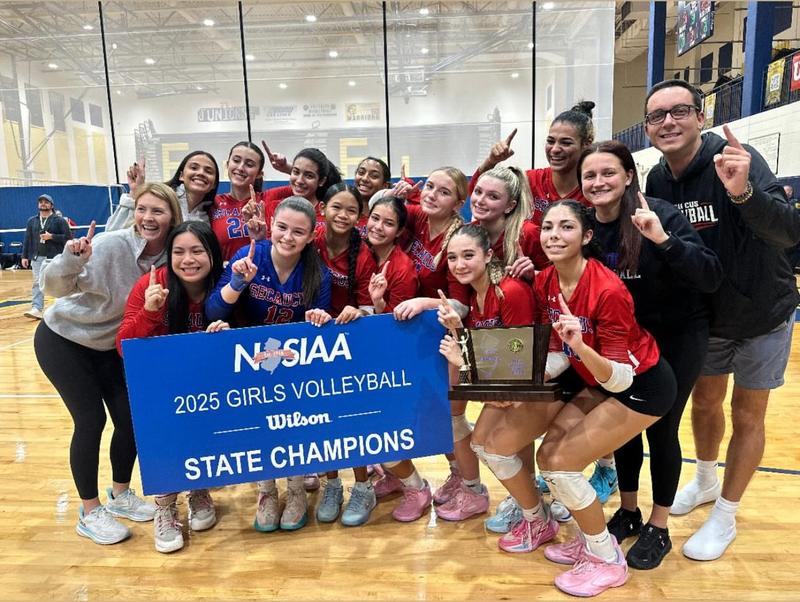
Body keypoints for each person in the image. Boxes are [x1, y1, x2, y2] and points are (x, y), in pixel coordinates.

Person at [643, 79, 800, 561]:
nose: (668, 122)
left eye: (679, 111)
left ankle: (726, 514)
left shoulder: (736, 158)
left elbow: (788, 232)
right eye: (657, 115)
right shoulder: (657, 181)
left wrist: (744, 192)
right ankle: (706, 480)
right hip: (705, 317)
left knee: (747, 414)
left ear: (701, 116)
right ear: (648, 129)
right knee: (705, 403)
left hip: (761, 312)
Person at [579, 140, 723, 569]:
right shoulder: (586, 227)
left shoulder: (659, 213)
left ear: (628, 176)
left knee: (661, 428)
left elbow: (710, 275)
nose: (599, 181)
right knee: (623, 426)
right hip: (624, 340)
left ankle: (659, 527)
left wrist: (662, 238)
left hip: (678, 335)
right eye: (590, 175)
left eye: (608, 172)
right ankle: (629, 511)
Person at [533, 201, 676, 597]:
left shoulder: (608, 289)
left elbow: (619, 378)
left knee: (563, 465)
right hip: (600, 382)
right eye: (547, 227)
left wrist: (580, 346)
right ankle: (589, 538)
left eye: (566, 227)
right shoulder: (545, 281)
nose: (554, 235)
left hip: (642, 386)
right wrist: (516, 380)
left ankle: (606, 559)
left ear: (587, 236)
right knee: (548, 456)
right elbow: (559, 354)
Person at [34, 182, 182, 545]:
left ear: (172, 217)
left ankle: (120, 494)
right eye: (142, 209)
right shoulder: (111, 244)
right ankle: (89, 511)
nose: (148, 217)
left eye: (158, 211)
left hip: (112, 347)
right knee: (91, 420)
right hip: (65, 339)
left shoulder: (172, 256)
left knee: (131, 420)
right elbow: (53, 288)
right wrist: (70, 259)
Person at [206, 196, 332, 532]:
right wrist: (237, 284)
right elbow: (213, 311)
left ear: (311, 236)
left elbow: (318, 332)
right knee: (256, 424)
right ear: (271, 225)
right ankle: (266, 491)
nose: (288, 237)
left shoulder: (318, 273)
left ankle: (295, 489)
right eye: (282, 227)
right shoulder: (249, 256)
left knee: (292, 423)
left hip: (291, 359)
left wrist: (320, 318)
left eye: (298, 232)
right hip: (249, 356)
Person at [117, 221, 228, 553]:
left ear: (212, 254)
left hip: (207, 384)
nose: (188, 259)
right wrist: (150, 312)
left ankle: (198, 489)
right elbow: (123, 346)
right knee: (162, 435)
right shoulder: (152, 284)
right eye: (179, 252)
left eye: (197, 251)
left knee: (205, 432)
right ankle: (165, 507)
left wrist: (225, 339)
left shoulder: (225, 286)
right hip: (161, 385)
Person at [435, 224, 537, 522]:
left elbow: (519, 358)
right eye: (453, 258)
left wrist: (463, 356)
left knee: (498, 442)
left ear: (489, 255)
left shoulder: (510, 291)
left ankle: (532, 507)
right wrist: (457, 329)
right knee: (481, 441)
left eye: (468, 255)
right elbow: (488, 354)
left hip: (536, 379)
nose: (459, 264)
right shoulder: (474, 296)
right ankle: (524, 499)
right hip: (507, 379)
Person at [311, 183, 379, 526]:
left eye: (351, 210)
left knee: (351, 419)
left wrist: (358, 311)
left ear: (359, 216)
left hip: (349, 343)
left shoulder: (363, 254)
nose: (343, 215)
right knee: (321, 419)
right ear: (322, 209)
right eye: (336, 207)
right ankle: (332, 484)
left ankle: (363, 486)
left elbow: (370, 306)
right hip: (311, 341)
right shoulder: (310, 241)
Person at [468, 102, 595, 224]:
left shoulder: (593, 188)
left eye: (566, 143)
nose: (555, 149)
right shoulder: (529, 181)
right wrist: (491, 162)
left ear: (587, 144)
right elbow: (475, 192)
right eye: (550, 141)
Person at [107, 152, 219, 231]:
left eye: (208, 171)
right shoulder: (159, 199)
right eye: (194, 168)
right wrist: (135, 194)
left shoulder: (211, 215)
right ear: (181, 176)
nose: (201, 173)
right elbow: (113, 232)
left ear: (214, 184)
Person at [21, 194, 70, 319]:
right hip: (37, 257)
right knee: (37, 282)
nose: (43, 204)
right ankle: (37, 308)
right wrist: (24, 256)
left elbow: (68, 237)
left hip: (54, 256)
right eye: (41, 202)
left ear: (51, 205)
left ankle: (62, 308)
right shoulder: (32, 221)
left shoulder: (59, 221)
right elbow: (27, 239)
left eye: (46, 202)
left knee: (58, 282)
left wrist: (51, 236)